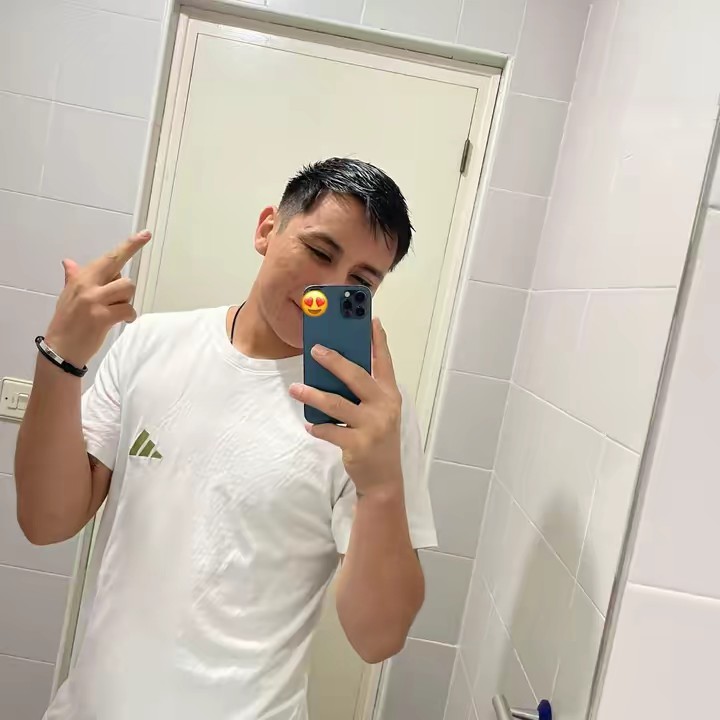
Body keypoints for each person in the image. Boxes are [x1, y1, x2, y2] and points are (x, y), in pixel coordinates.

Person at [15, 158, 437, 720]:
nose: (329, 289)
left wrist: (381, 487)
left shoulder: (370, 415)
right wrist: (60, 360)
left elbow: (377, 638)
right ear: (267, 229)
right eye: (319, 251)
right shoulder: (150, 343)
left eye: (360, 282)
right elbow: (45, 522)